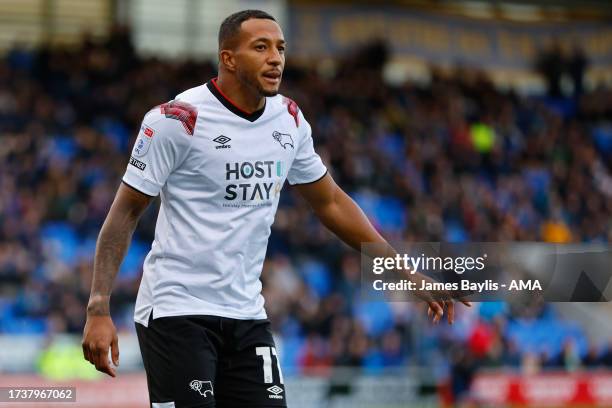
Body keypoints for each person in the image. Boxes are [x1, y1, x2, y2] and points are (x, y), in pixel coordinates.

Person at [82, 9, 468, 408]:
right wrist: (98, 308)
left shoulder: (289, 120)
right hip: (177, 310)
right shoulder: (177, 120)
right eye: (261, 47)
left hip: (247, 313)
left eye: (281, 48)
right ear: (228, 58)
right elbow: (125, 213)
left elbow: (331, 203)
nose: (276, 58)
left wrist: (405, 273)